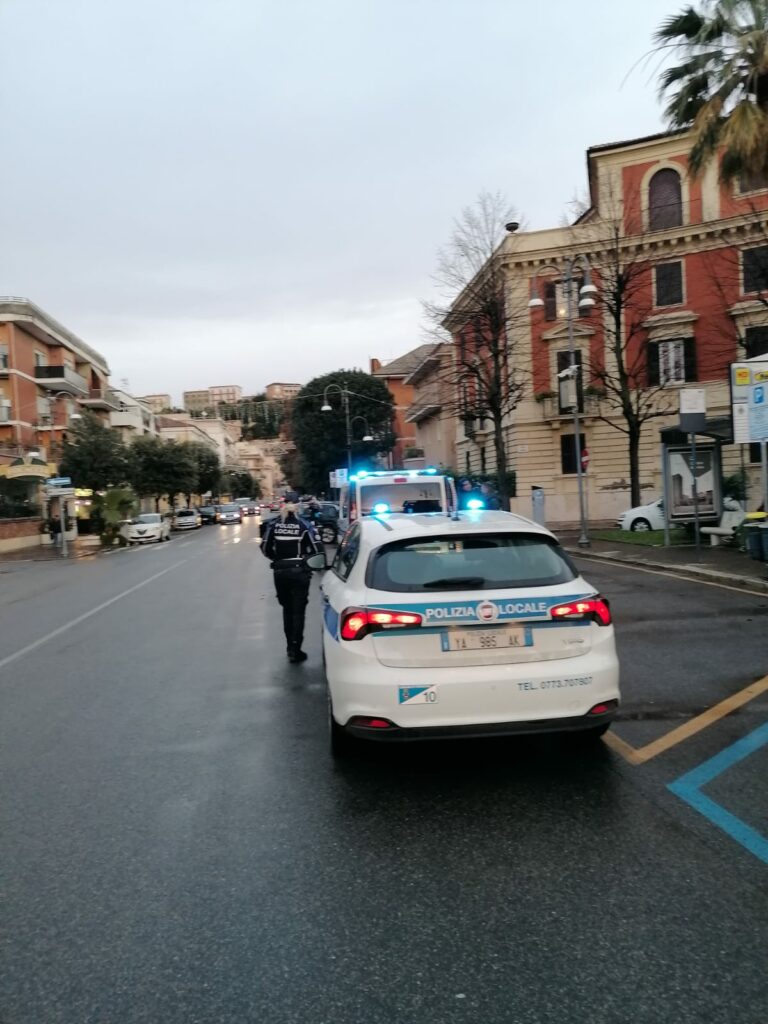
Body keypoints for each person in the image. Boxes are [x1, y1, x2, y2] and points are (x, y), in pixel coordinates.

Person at [261, 494, 322, 663]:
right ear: (298, 506)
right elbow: (317, 549)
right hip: (299, 572)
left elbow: (265, 547)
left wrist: (277, 559)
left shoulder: (273, 524)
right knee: (298, 612)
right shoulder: (305, 525)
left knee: (287, 610)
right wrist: (309, 562)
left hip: (280, 572)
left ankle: (289, 648)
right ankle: (296, 649)